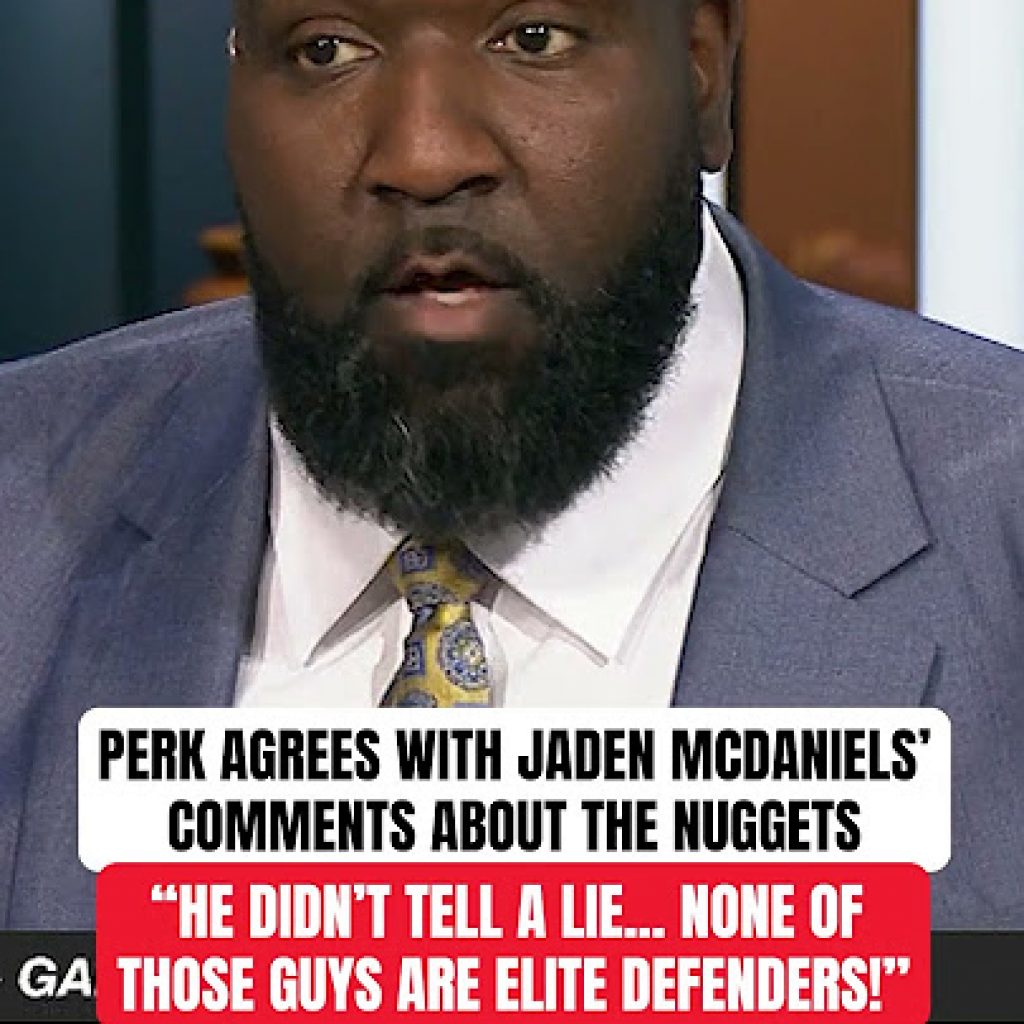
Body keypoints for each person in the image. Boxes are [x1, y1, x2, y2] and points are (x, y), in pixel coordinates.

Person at [0, 0, 1021, 929]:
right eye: (326, 49)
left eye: (535, 38)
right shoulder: (23, 494)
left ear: (702, 64)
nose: (425, 155)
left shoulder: (996, 515)